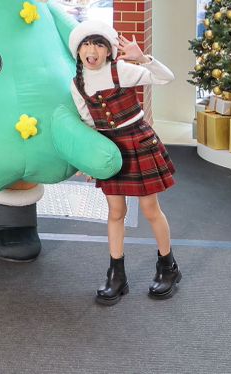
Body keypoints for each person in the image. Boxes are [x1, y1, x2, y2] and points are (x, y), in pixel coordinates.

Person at [70, 19, 180, 303]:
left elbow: (167, 78)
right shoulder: (77, 84)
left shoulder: (122, 70)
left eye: (98, 45)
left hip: (137, 141)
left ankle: (168, 267)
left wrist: (143, 59)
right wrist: (91, 158)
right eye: (86, 44)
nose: (91, 50)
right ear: (78, 51)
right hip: (110, 149)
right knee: (115, 212)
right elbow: (88, 123)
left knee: (150, 209)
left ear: (108, 50)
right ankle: (116, 276)